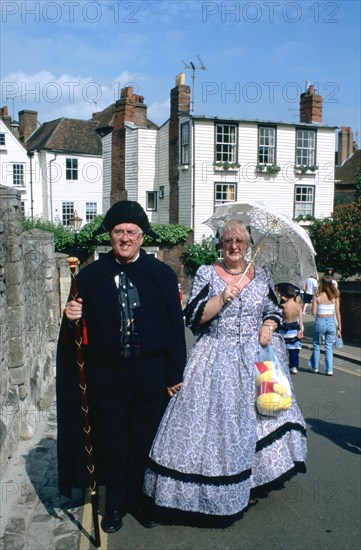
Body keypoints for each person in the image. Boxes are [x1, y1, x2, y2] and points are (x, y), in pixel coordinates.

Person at [144, 220, 307, 522]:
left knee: (257, 422)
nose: (234, 246)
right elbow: (193, 317)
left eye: (240, 241)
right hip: (215, 359)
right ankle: (198, 493)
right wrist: (221, 299)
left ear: (248, 245)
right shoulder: (207, 273)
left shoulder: (262, 276)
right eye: (228, 241)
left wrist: (269, 326)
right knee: (216, 427)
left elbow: (272, 310)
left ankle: (250, 481)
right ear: (220, 244)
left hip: (256, 360)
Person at [56, 200, 187, 534]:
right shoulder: (90, 276)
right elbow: (77, 327)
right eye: (119, 232)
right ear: (109, 236)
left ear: (142, 237)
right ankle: (114, 502)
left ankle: (141, 499)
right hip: (107, 373)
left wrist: (175, 374)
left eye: (131, 232)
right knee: (112, 438)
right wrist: (71, 318)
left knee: (145, 437)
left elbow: (174, 328)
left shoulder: (160, 275)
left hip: (150, 373)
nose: (125, 238)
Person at [308, 275, 342, 376]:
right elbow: (337, 312)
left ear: (321, 283)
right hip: (331, 322)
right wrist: (339, 325)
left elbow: (314, 312)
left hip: (320, 321)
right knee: (329, 347)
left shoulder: (317, 295)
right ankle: (329, 369)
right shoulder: (335, 295)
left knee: (317, 345)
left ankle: (315, 367)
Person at [278, 285, 304, 374]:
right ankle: (294, 366)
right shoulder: (298, 306)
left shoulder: (283, 306)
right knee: (293, 350)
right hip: (294, 329)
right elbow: (300, 321)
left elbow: (279, 318)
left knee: (283, 349)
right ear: (295, 294)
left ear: (285, 295)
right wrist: (301, 330)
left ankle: (283, 365)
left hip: (284, 329)